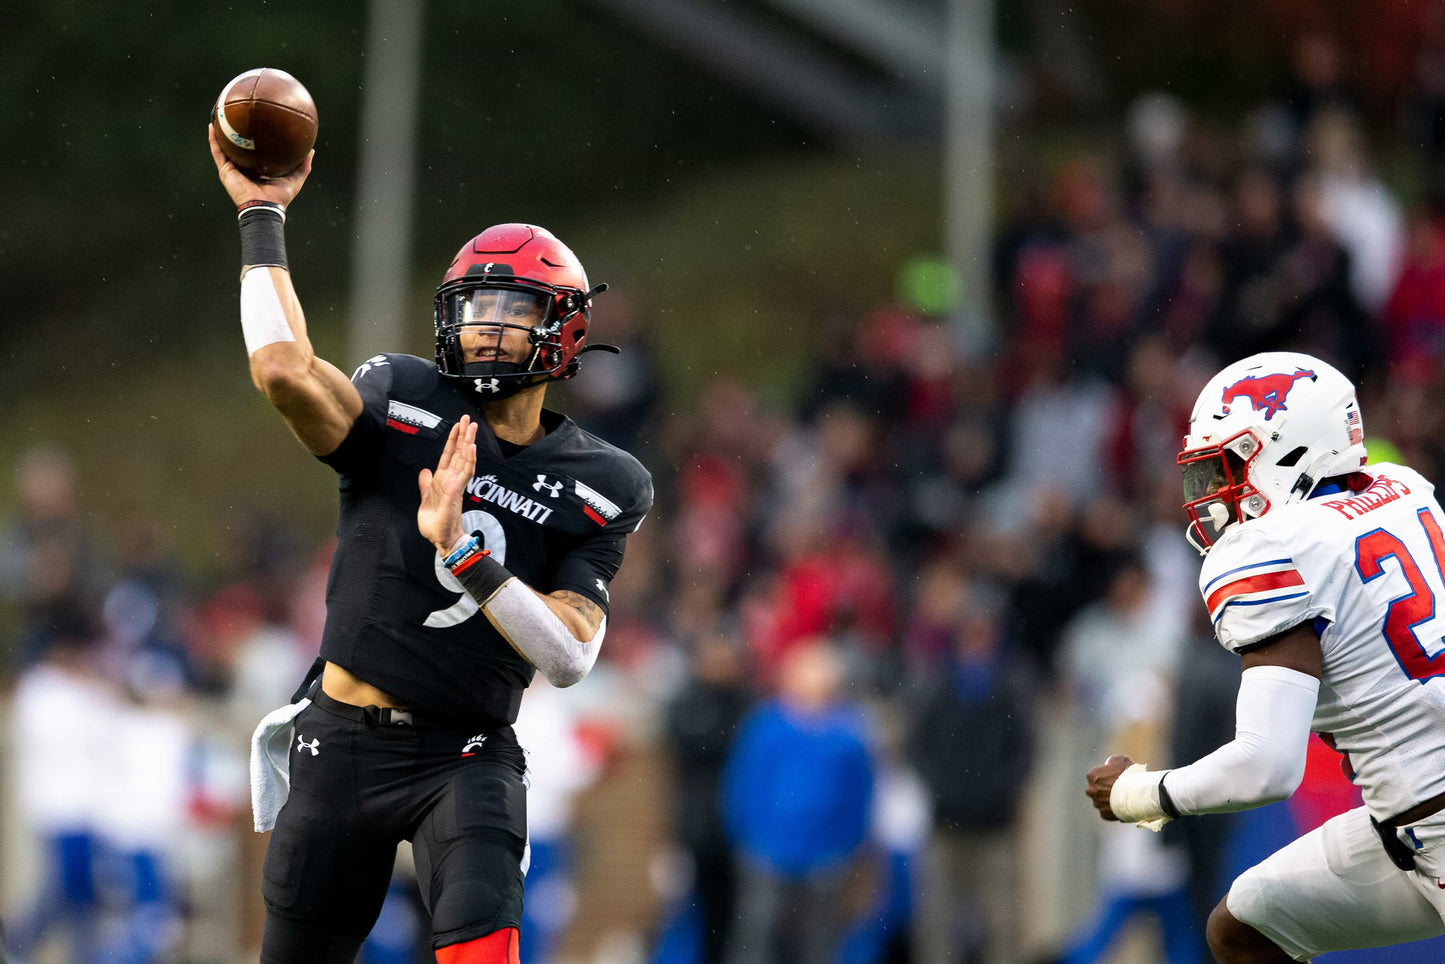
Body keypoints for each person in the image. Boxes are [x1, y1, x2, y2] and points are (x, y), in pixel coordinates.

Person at [208, 126, 652, 964]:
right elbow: (282, 373)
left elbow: (568, 657)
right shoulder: (404, 395)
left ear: (563, 330)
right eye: (475, 307)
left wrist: (466, 555)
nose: (487, 328)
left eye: (512, 309)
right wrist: (262, 213)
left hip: (466, 751)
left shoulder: (604, 479)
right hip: (342, 737)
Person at [1086, 350, 1445, 963]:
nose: (1211, 494)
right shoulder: (1406, 492)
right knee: (1248, 924)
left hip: (1430, 817)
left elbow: (1268, 766)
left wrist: (1137, 795)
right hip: (1407, 824)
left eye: (1229, 466)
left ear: (1289, 451)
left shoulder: (1274, 550)